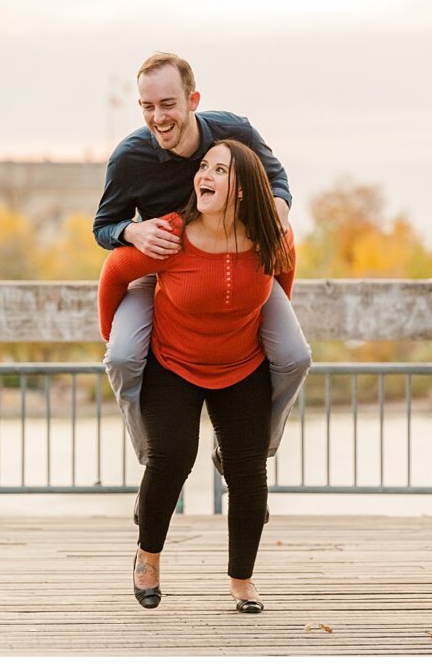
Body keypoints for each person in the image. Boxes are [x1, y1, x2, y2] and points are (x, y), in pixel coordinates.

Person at [99, 139, 295, 613]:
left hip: (241, 365)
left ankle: (242, 580)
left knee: (249, 473)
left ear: (244, 188)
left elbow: (283, 277)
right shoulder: (170, 234)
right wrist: (118, 336)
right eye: (203, 166)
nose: (204, 174)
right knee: (171, 458)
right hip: (174, 364)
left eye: (219, 170)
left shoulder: (274, 238)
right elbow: (114, 274)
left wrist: (265, 329)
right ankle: (147, 559)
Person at [93, 52, 310, 473]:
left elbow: (277, 179)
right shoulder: (129, 158)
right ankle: (152, 457)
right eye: (148, 107)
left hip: (239, 270)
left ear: (193, 100)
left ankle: (253, 450)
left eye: (168, 104)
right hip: (159, 272)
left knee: (295, 356)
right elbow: (104, 227)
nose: (158, 117)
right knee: (120, 356)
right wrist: (132, 231)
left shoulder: (236, 133)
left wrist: (278, 207)